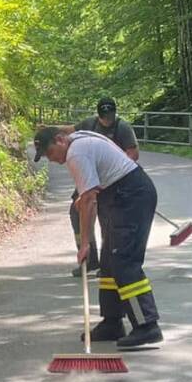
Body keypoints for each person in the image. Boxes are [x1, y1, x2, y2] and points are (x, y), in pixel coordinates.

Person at [34, 124, 162, 348]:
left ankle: (146, 325)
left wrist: (85, 243)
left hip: (131, 197)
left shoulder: (76, 153)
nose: (51, 159)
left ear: (60, 139)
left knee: (124, 261)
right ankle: (112, 322)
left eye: (50, 152)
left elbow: (90, 202)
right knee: (109, 262)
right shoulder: (80, 140)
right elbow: (92, 187)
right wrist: (85, 196)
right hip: (121, 194)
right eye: (46, 156)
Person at [68, 98, 138, 277]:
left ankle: (108, 264)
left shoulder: (122, 128)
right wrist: (49, 129)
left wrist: (113, 168)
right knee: (77, 212)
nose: (107, 120)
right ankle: (88, 258)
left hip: (111, 180)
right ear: (98, 115)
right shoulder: (89, 124)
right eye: (104, 117)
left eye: (110, 116)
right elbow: (69, 131)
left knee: (107, 219)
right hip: (90, 176)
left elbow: (133, 154)